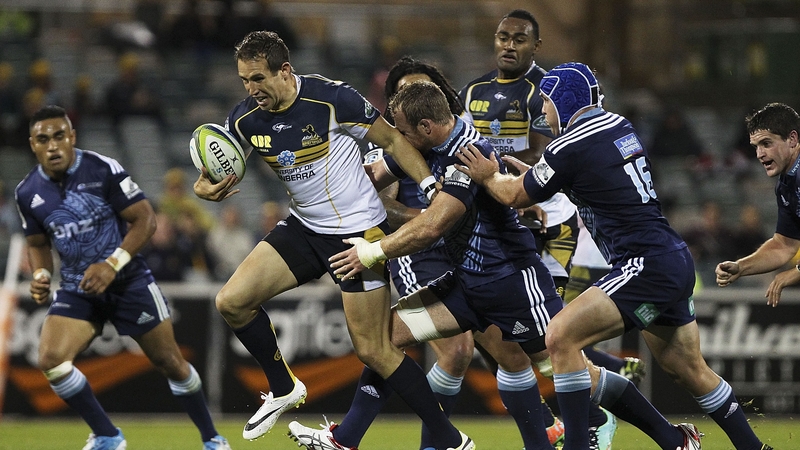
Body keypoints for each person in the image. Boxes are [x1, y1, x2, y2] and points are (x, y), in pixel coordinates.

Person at [456, 62, 773, 450]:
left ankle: (580, 443)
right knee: (688, 369)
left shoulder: (567, 144)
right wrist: (545, 177)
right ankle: (736, 447)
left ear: (563, 100)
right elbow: (595, 182)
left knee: (559, 336)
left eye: (547, 103)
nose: (543, 112)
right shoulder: (617, 124)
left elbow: (513, 195)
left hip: (645, 263)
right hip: (671, 257)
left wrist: (489, 175)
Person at [192, 31, 472, 449]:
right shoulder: (245, 118)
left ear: (285, 71)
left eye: (258, 78)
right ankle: (284, 387)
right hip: (305, 228)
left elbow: (394, 139)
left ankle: (451, 440)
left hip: (359, 233)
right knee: (231, 301)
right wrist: (203, 188)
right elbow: (215, 167)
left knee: (375, 350)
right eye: (244, 80)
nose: (251, 90)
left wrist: (430, 185)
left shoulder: (331, 99)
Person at [291, 79, 563, 450]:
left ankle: (658, 433)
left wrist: (370, 252)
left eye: (401, 131)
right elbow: (372, 176)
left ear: (425, 127)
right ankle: (347, 439)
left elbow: (434, 225)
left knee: (566, 366)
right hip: (466, 288)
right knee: (385, 340)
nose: (395, 138)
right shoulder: (423, 145)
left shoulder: (466, 153)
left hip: (510, 282)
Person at [368, 56, 570, 450]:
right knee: (413, 342)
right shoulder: (401, 142)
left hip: (484, 268)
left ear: (433, 109)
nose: (409, 100)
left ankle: (608, 425)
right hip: (421, 252)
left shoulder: (464, 147)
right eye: (403, 93)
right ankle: (366, 437)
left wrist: (511, 197)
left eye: (418, 92)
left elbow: (466, 204)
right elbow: (379, 197)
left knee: (540, 355)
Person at [15, 105, 230, 450]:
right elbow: (38, 243)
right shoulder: (27, 193)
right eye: (43, 139)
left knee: (170, 362)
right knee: (51, 361)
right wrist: (41, 273)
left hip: (128, 280)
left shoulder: (102, 169)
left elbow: (146, 220)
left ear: (72, 137)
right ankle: (107, 436)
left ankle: (213, 439)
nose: (52, 146)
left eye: (59, 136)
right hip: (78, 288)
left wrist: (111, 265)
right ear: (32, 145)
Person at [716, 102, 800, 308]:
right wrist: (741, 267)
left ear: (792, 139)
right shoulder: (785, 185)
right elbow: (784, 245)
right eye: (756, 147)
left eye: (767, 143)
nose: (759, 154)